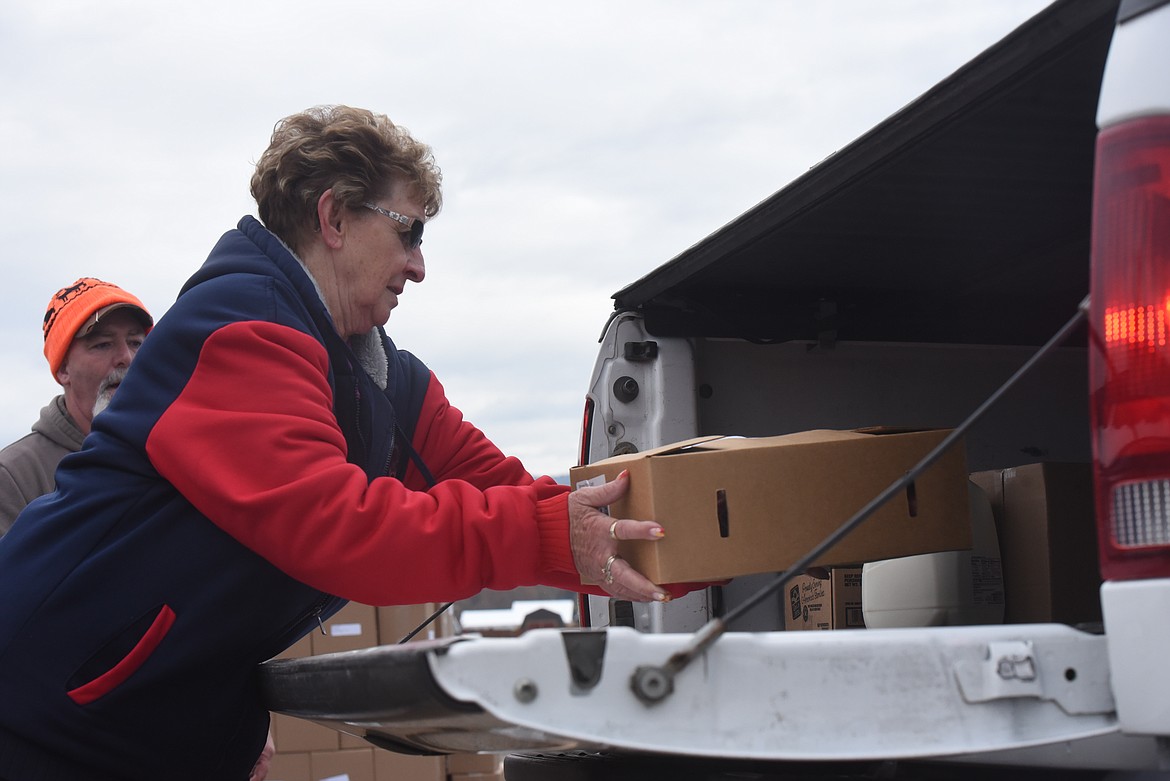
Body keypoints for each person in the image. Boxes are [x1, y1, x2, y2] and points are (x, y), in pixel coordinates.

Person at [0, 105, 690, 781]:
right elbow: (339, 527)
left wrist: (695, 544)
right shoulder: (237, 331)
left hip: (160, 725)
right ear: (333, 218)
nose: (419, 265)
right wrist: (548, 535)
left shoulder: (383, 381)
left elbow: (514, 495)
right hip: (45, 718)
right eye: (409, 231)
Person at [0, 278, 152, 536]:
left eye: (136, 342)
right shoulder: (15, 476)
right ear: (62, 369)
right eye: (103, 344)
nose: (126, 358)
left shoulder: (168, 454)